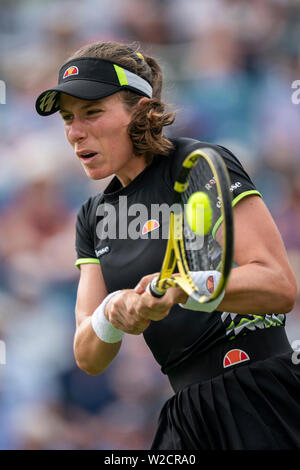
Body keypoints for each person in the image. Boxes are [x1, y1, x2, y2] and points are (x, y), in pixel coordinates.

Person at [35, 41, 300, 450]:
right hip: (186, 414)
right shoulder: (92, 217)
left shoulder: (200, 164)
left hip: (262, 392)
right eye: (68, 118)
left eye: (92, 112)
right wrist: (114, 312)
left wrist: (182, 287)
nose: (74, 132)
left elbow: (278, 286)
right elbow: (88, 355)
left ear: (140, 110)